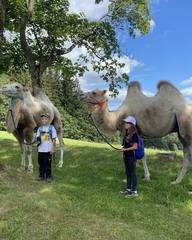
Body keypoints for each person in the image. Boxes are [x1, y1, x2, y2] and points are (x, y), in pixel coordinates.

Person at [120, 116, 138, 197]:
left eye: (127, 123)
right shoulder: (126, 133)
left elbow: (135, 147)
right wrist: (122, 148)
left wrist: (124, 150)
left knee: (132, 173)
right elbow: (125, 145)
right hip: (126, 156)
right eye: (125, 122)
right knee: (128, 173)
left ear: (131, 125)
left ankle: (134, 192)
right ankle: (128, 189)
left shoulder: (134, 134)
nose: (125, 124)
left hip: (131, 157)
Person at [36, 113, 57, 182]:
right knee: (41, 163)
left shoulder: (51, 128)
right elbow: (38, 137)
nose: (44, 120)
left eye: (45, 119)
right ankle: (41, 175)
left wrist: (52, 148)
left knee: (47, 163)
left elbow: (54, 139)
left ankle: (48, 176)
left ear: (48, 120)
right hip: (41, 149)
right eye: (42, 119)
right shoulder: (40, 128)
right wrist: (38, 140)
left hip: (48, 150)